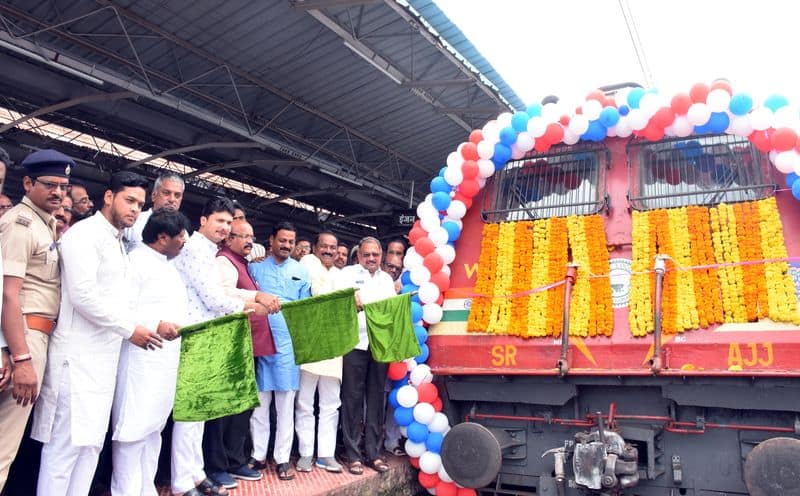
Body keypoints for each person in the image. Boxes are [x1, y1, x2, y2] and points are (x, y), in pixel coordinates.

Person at [32, 171, 163, 496]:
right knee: (63, 451)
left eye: (140, 204)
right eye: (129, 200)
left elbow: (119, 300)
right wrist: (130, 329)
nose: (135, 209)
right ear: (109, 197)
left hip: (103, 362)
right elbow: (83, 296)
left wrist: (148, 325)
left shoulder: (118, 243)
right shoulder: (84, 235)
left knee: (89, 448)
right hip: (75, 361)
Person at [170, 197, 276, 496]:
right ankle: (181, 481)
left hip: (207, 336)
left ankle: (194, 473)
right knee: (190, 414)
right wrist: (254, 305)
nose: (224, 228)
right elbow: (215, 299)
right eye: (220, 221)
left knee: (200, 412)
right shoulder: (193, 250)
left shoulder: (208, 251)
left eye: (229, 223)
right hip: (193, 335)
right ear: (203, 220)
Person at [0, 149, 73, 491]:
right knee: (3, 448)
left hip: (34, 336)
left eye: (64, 185)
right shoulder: (21, 223)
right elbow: (8, 294)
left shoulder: (46, 225)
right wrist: (21, 357)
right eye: (50, 184)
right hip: (25, 337)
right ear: (28, 183)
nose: (59, 192)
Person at [109, 209, 190, 496]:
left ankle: (146, 489)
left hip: (164, 362)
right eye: (180, 236)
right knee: (132, 432)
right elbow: (121, 308)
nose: (184, 241)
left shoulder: (168, 266)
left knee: (153, 430)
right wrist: (157, 324)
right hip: (139, 359)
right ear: (162, 237)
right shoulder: (135, 263)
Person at [204, 219, 280, 488]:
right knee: (224, 408)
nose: (249, 241)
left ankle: (235, 461)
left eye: (252, 235)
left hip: (247, 344)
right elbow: (222, 294)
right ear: (229, 239)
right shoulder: (224, 262)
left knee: (242, 406)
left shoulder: (244, 263)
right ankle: (216, 466)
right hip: (230, 343)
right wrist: (257, 295)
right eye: (243, 236)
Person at [248, 222, 310, 481]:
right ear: (271, 240)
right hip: (260, 342)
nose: (286, 245)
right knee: (260, 405)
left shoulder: (302, 271)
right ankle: (258, 455)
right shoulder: (255, 267)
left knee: (285, 405)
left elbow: (307, 308)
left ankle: (282, 459)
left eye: (290, 241)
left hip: (287, 346)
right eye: (282, 240)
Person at [335, 237, 396, 475]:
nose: (371, 258)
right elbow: (337, 302)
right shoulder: (346, 275)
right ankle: (352, 454)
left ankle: (374, 453)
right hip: (354, 343)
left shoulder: (386, 279)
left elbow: (392, 310)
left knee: (376, 400)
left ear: (381, 255)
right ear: (359, 255)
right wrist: (348, 299)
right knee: (351, 399)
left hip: (379, 345)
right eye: (367, 254)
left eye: (375, 254)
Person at [295, 231, 344, 473]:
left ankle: (326, 454)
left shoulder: (340, 275)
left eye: (332, 247)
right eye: (323, 246)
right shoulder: (307, 264)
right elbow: (318, 294)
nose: (328, 250)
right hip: (310, 343)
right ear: (314, 248)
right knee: (304, 402)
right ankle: (305, 453)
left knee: (331, 403)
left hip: (334, 345)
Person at [126, 172, 185, 251]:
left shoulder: (183, 234)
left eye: (177, 195)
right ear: (153, 196)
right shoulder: (134, 222)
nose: (172, 199)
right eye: (166, 193)